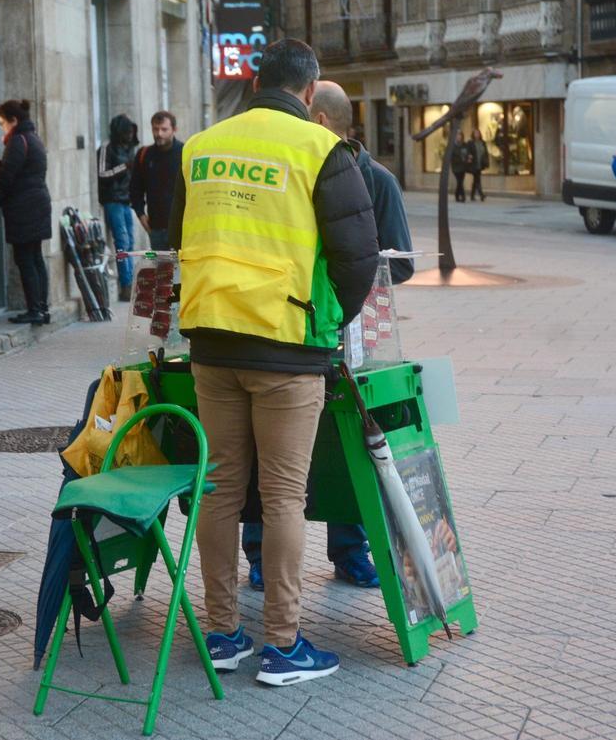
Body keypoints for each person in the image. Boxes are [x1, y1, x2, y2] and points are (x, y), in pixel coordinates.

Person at [169, 39, 378, 686]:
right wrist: (326, 323)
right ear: (310, 92)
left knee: (220, 487)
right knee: (283, 494)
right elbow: (359, 259)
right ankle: (283, 646)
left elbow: (177, 236)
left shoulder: (201, 147)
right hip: (287, 348)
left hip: (211, 343)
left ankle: (222, 634)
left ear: (258, 82)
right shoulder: (321, 149)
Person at [236, 80, 415, 594]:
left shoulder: (377, 181)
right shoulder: (287, 167)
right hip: (283, 334)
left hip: (351, 338)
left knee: (351, 442)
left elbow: (401, 262)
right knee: (267, 446)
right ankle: (260, 554)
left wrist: (343, 284)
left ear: (317, 120)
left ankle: (351, 550)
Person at [0, 99, 52, 325]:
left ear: (14, 120)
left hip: (24, 208)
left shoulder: (18, 141)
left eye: (2, 122)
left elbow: (8, 177)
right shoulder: (34, 138)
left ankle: (35, 309)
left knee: (26, 259)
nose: (2, 128)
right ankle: (42, 308)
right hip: (37, 204)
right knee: (35, 257)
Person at [97, 114, 139, 300]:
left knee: (129, 242)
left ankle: (131, 282)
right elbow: (102, 174)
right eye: (126, 133)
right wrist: (124, 167)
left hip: (125, 200)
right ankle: (126, 284)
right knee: (122, 242)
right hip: (112, 199)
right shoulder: (106, 148)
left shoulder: (129, 148)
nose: (129, 136)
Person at [130, 111, 183, 251]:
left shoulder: (185, 153)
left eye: (164, 129)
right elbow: (135, 189)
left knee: (183, 265)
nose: (159, 133)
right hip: (156, 229)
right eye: (155, 129)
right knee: (161, 265)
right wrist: (141, 215)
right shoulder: (144, 155)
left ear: (174, 129)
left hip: (182, 228)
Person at [469, 128, 488, 201]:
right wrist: (469, 157)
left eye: (478, 133)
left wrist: (486, 162)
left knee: (476, 179)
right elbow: (468, 151)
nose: (477, 135)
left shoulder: (483, 143)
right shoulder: (471, 143)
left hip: (480, 163)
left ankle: (472, 195)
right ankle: (481, 194)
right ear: (473, 135)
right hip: (474, 164)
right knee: (477, 179)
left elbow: (485, 153)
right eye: (475, 133)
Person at [451, 129, 470, 202]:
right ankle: (463, 196)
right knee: (459, 181)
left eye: (460, 135)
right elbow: (452, 157)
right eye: (457, 135)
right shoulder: (452, 146)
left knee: (460, 181)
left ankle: (457, 195)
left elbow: (467, 153)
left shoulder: (465, 145)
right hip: (456, 167)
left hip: (463, 166)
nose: (459, 137)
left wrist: (468, 158)